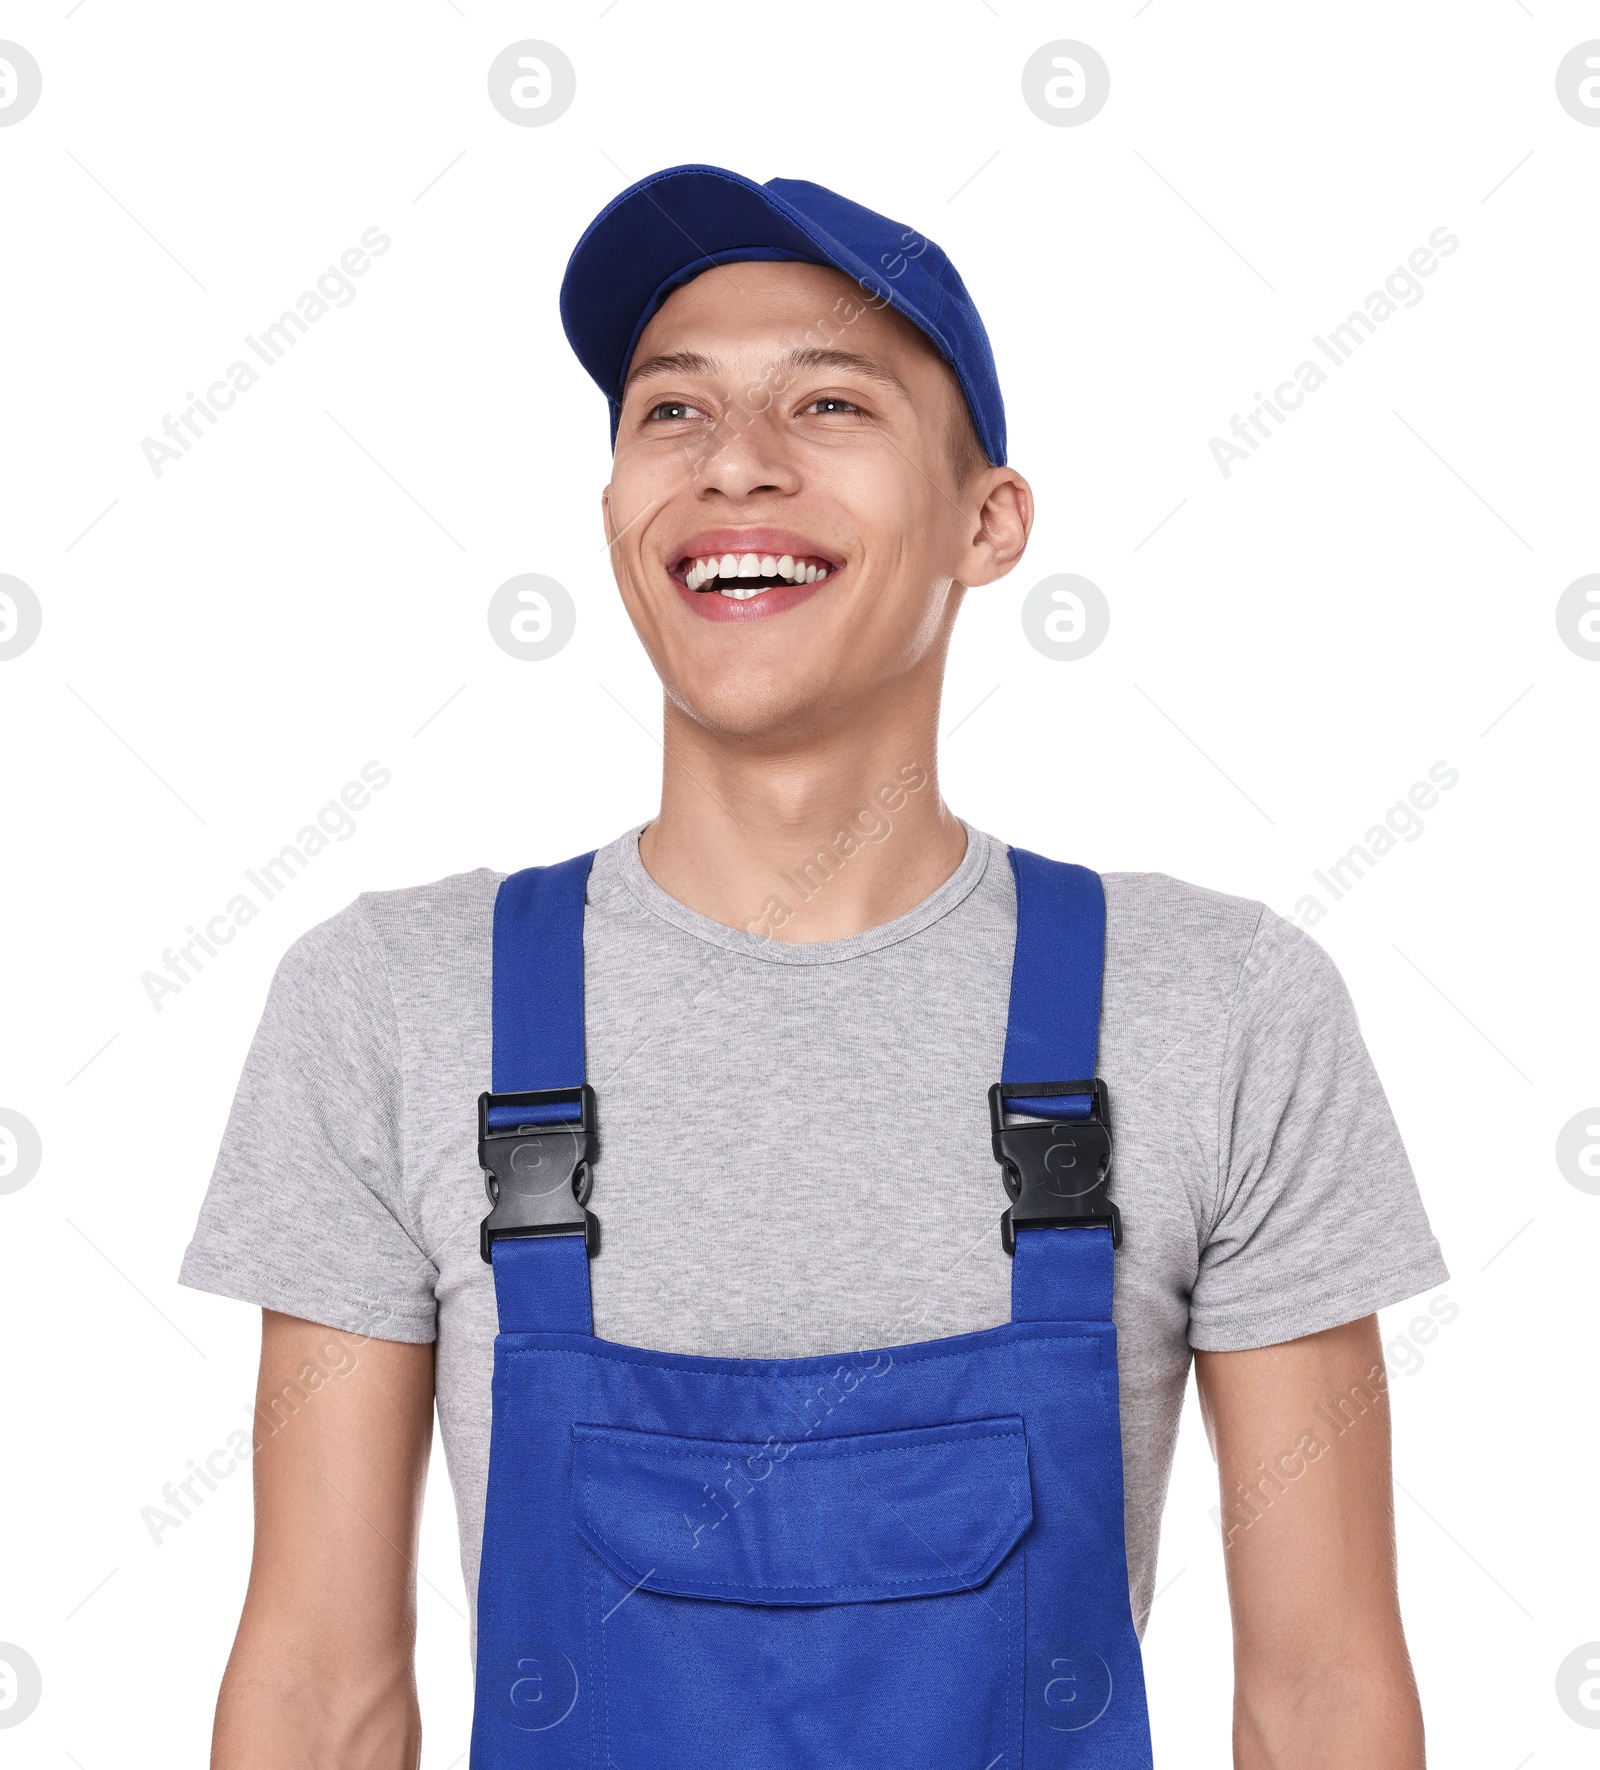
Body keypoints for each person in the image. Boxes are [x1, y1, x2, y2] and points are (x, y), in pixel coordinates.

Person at [181, 165, 1447, 1769]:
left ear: (989, 525)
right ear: (617, 517)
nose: (737, 466)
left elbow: (1324, 1700)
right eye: (672, 412)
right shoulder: (389, 1005)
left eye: (830, 402)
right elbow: (317, 1691)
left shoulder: (1224, 1008)